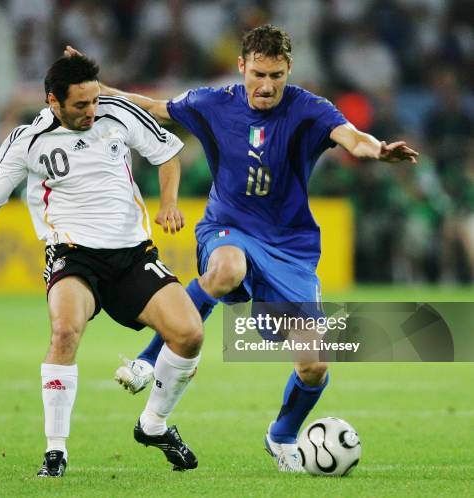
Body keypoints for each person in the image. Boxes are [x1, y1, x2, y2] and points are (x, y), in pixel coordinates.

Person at [72, 24, 418, 472]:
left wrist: (376, 150)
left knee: (314, 365)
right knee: (228, 269)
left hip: (290, 247)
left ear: (289, 69)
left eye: (276, 75)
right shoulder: (214, 103)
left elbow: (351, 136)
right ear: (241, 68)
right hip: (227, 227)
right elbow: (155, 108)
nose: (267, 85)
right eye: (258, 74)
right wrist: (96, 90)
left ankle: (282, 438)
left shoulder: (309, 110)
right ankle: (147, 360)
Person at [0, 55, 204, 477]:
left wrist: (168, 203)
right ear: (53, 101)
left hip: (133, 254)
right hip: (73, 255)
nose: (91, 111)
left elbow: (168, 155)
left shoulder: (116, 112)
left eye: (95, 100)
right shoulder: (27, 139)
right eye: (80, 105)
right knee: (64, 331)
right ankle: (55, 451)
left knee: (189, 335)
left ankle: (153, 424)